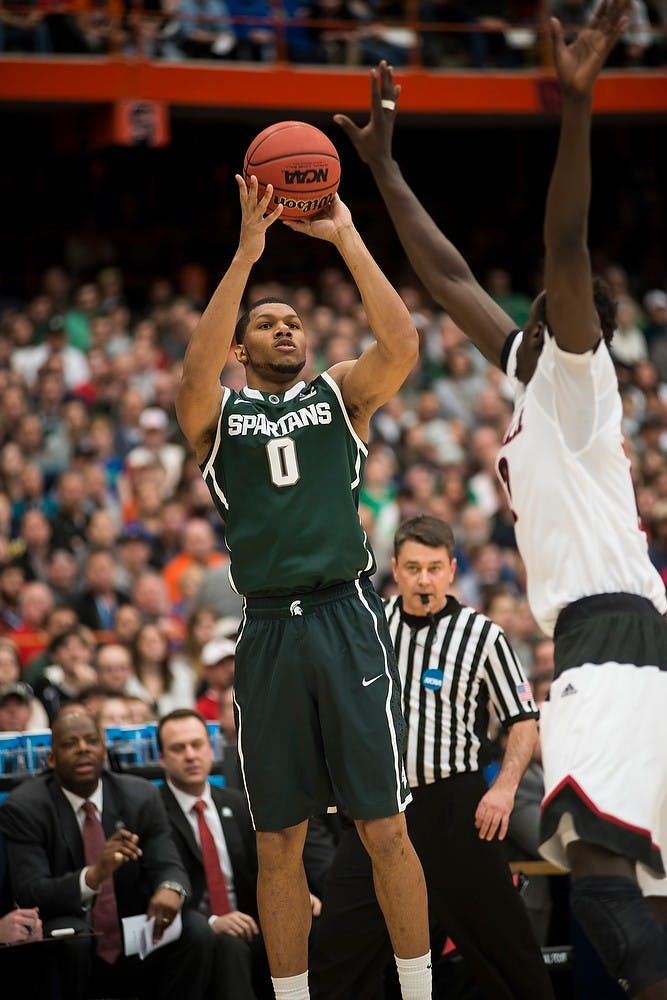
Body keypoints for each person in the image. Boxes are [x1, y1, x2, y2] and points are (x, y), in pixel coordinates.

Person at [333, 3, 667, 995]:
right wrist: (385, 168)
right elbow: (444, 275)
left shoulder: (574, 375)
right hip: (613, 640)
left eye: (548, 304)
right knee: (629, 885)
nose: (522, 304)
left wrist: (575, 105)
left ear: (569, 323)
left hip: (612, 643)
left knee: (602, 879)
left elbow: (564, 244)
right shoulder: (531, 379)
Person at [175, 176, 431, 1000]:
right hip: (266, 629)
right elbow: (190, 378)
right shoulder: (220, 417)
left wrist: (348, 236)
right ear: (241, 350)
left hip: (344, 615)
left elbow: (402, 347)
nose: (286, 328)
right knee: (278, 837)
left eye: (293, 323)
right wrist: (247, 255)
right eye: (267, 324)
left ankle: (419, 991)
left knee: (384, 824)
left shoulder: (339, 393)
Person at [309, 515, 553, 1000]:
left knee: (506, 946)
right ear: (395, 568)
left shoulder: (483, 635)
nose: (423, 579)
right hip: (380, 803)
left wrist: (503, 790)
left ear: (451, 570)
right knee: (339, 943)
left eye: (434, 568)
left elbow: (522, 718)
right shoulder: (369, 628)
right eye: (414, 567)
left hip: (456, 806)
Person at [0, 707, 215, 1000]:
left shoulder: (140, 796)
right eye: (70, 744)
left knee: (196, 929)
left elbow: (168, 863)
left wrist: (171, 888)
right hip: (73, 933)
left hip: (134, 933)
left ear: (104, 750)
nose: (83, 749)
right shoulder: (25, 807)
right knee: (70, 936)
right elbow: (31, 892)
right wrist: (93, 876)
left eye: (91, 741)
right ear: (50, 758)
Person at [158, 707, 275, 1000]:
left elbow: (263, 867)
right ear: (162, 759)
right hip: (189, 932)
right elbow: (153, 886)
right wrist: (211, 921)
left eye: (197, 745)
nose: (190, 755)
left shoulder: (236, 803)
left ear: (211, 750)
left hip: (248, 921)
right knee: (229, 947)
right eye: (178, 748)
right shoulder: (153, 811)